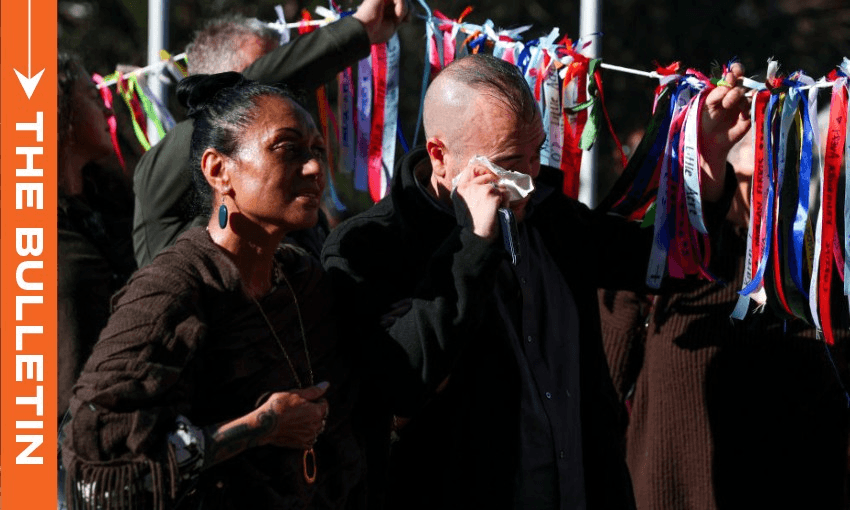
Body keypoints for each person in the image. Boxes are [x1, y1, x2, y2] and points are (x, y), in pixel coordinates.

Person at [321, 53, 751, 509]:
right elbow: (397, 386)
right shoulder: (372, 246)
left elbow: (666, 265)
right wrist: (472, 245)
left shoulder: (547, 214)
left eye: (536, 154)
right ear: (440, 157)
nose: (527, 178)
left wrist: (707, 161)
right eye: (508, 162)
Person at [63, 74, 360, 509]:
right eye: (287, 148)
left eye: (316, 150)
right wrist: (258, 427)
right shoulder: (170, 290)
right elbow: (99, 472)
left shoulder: (302, 281)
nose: (314, 167)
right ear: (218, 170)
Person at [598, 138, 850, 510]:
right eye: (756, 177)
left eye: (786, 179)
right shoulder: (671, 263)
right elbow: (603, 388)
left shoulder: (819, 278)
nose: (770, 193)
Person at [132, 0, 408, 267]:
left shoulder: (296, 211)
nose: (283, 102)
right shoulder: (165, 167)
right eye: (273, 82)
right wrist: (358, 29)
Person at [57, 52, 138, 426]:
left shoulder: (109, 204)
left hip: (119, 431)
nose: (108, 108)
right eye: (93, 97)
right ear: (59, 110)